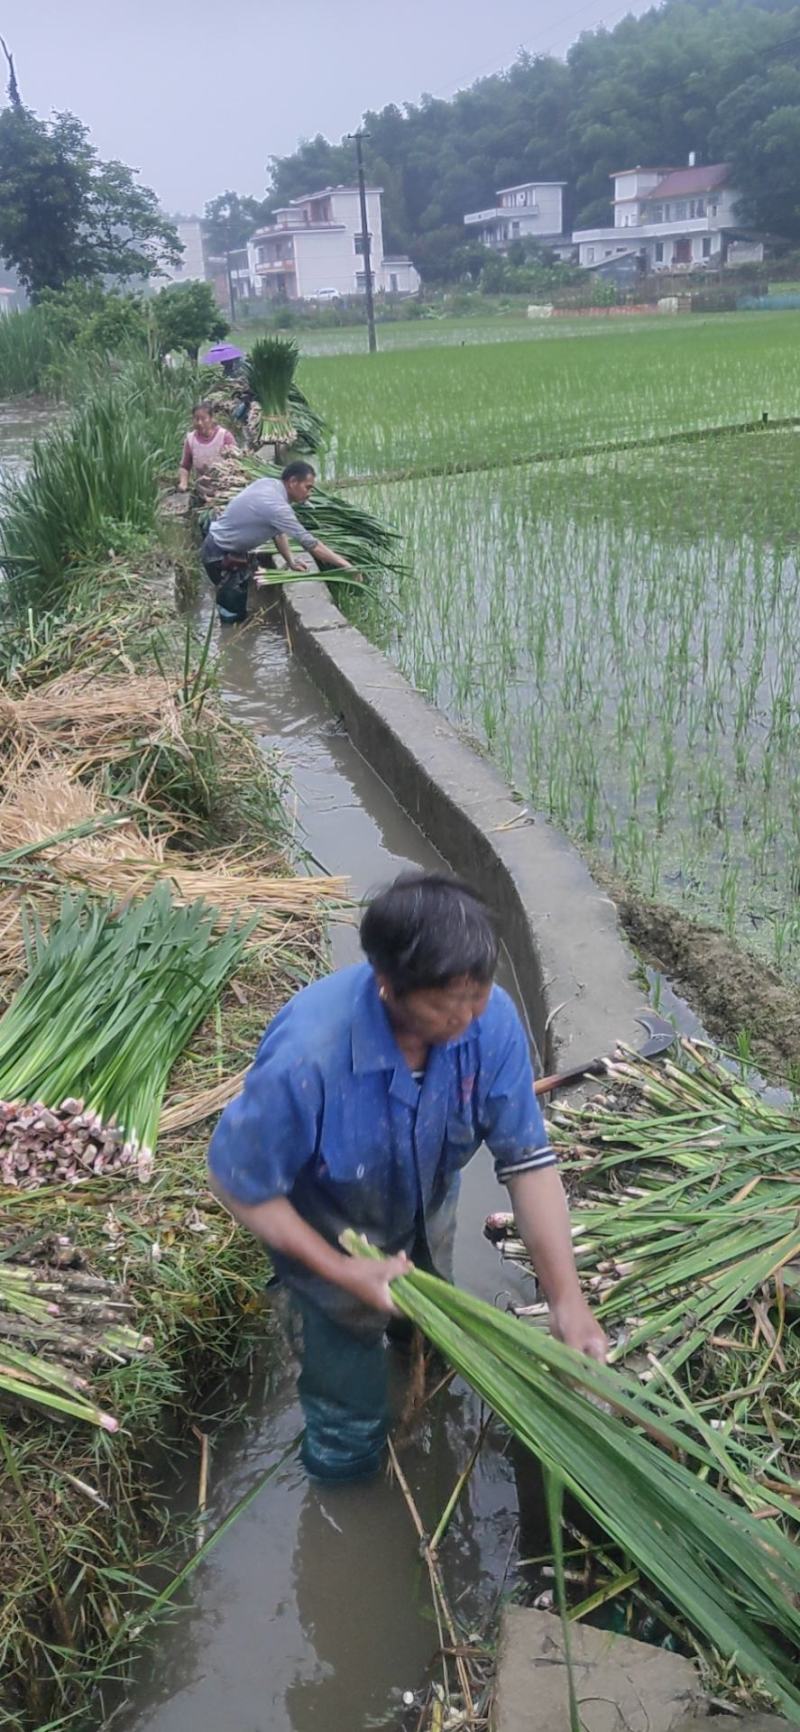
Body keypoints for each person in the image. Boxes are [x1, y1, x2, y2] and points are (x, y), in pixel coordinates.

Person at [208, 872, 607, 1484]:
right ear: (388, 985)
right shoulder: (308, 1057)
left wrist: (567, 1300)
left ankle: (413, 1356)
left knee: (425, 1326)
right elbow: (240, 1182)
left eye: (478, 993)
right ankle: (345, 1495)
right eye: (447, 1002)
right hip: (330, 1238)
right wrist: (342, 1270)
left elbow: (528, 1165)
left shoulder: (489, 1021)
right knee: (348, 1416)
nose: (469, 1018)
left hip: (426, 1205)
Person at [199, 459, 353, 624]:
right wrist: (346, 565)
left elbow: (278, 533)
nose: (309, 493)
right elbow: (311, 544)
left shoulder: (269, 484)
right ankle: (230, 641)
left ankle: (236, 630)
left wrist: (291, 561)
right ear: (293, 482)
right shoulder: (277, 507)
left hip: (221, 545)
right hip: (219, 554)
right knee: (232, 611)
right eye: (307, 487)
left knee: (239, 593)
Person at [177, 403, 236, 492]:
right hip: (202, 488)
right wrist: (183, 483)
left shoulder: (224, 436)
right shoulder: (191, 439)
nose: (199, 423)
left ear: (212, 419)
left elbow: (236, 462)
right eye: (196, 419)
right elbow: (185, 466)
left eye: (204, 419)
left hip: (225, 487)